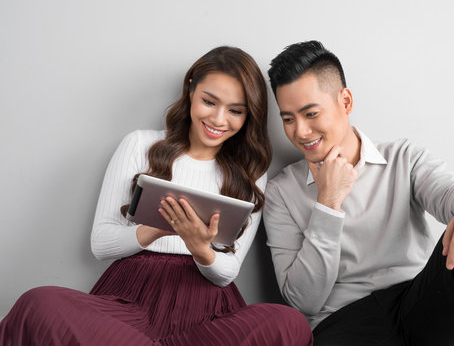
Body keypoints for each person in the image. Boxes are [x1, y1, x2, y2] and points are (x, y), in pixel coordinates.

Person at [0, 46, 313, 345]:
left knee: (289, 323)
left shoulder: (250, 171)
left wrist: (200, 247)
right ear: (190, 89)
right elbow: (101, 242)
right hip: (130, 298)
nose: (219, 119)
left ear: (248, 116)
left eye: (235, 111)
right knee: (38, 302)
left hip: (207, 314)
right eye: (209, 101)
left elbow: (227, 272)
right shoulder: (139, 145)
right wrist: (159, 228)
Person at [263, 40, 454, 346]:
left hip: (419, 306)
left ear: (345, 102)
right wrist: (328, 203)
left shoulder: (403, 158)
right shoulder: (281, 192)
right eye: (288, 119)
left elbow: (450, 192)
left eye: (311, 113)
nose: (300, 131)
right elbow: (303, 301)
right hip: (344, 324)